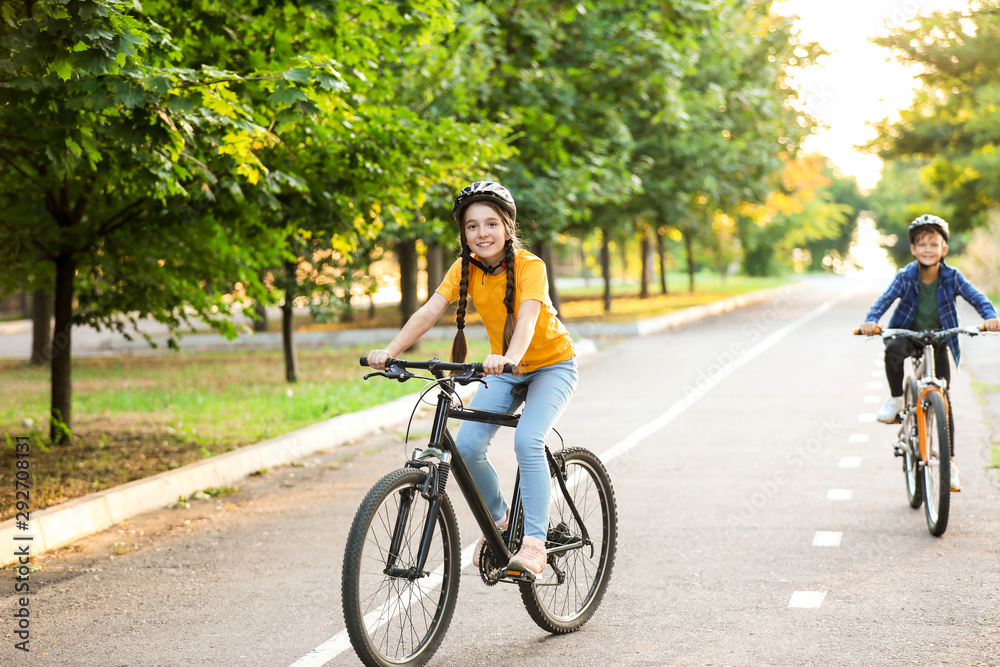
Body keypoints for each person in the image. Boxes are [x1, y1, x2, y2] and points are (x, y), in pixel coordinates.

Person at [366, 181, 578, 576]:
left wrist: (510, 358)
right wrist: (391, 351)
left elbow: (529, 318)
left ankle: (534, 543)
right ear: (463, 234)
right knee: (466, 444)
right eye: (472, 226)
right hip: (505, 369)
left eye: (491, 224)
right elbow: (429, 311)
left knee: (528, 441)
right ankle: (500, 522)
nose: (482, 233)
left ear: (507, 227)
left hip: (552, 366)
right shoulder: (463, 268)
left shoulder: (530, 266)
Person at [858, 214, 999, 491]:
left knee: (944, 401)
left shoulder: (953, 276)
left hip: (940, 339)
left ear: (943, 249)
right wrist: (871, 320)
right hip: (909, 335)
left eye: (933, 244)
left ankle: (951, 463)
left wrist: (991, 316)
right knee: (893, 350)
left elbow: (978, 298)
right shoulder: (905, 276)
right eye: (921, 244)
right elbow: (884, 300)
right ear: (912, 250)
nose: (927, 249)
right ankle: (897, 399)